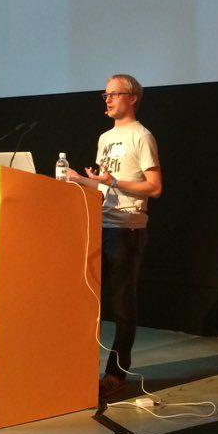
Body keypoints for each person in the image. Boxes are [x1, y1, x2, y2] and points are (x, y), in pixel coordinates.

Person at [67, 74, 162, 398]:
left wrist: (115, 182)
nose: (107, 99)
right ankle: (79, 369)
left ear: (132, 98)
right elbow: (104, 185)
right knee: (87, 299)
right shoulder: (105, 137)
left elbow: (155, 187)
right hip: (99, 226)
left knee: (121, 304)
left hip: (126, 230)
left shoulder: (141, 137)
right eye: (105, 94)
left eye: (114, 94)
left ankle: (116, 373)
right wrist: (79, 180)